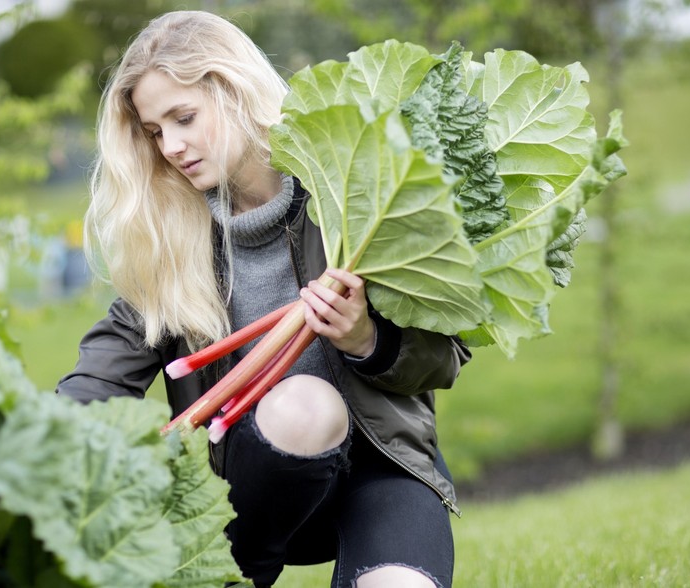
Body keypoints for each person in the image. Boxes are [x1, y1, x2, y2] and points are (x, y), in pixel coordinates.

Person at [56, 10, 471, 588]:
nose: (171, 146)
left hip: (384, 469)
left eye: (184, 118)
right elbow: (101, 377)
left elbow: (445, 353)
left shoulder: (352, 200)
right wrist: (42, 439)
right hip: (250, 498)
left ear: (236, 92)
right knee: (305, 405)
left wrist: (366, 340)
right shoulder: (174, 242)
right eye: (155, 131)